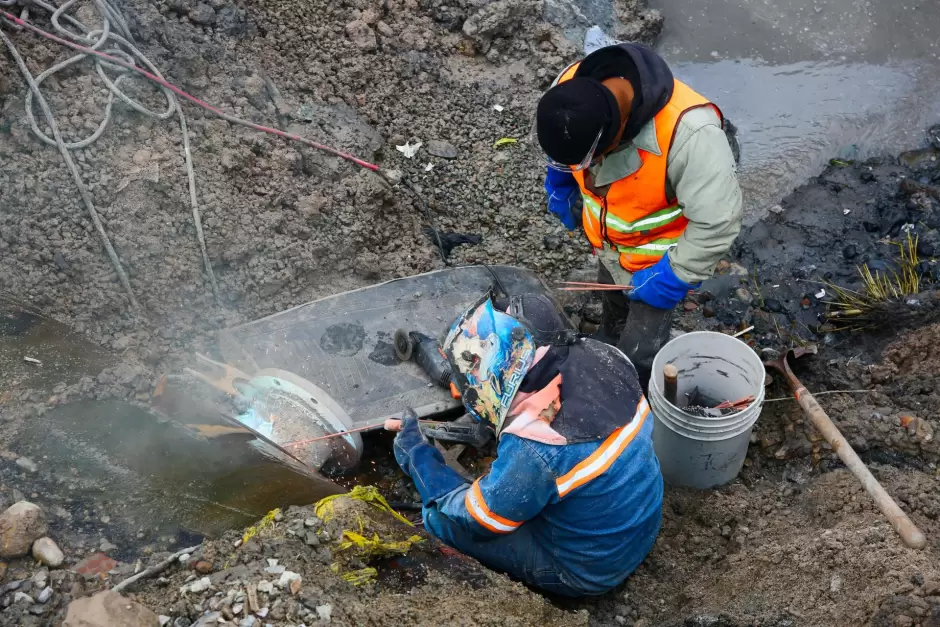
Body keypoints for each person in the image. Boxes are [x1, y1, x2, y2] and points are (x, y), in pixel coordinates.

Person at [392, 295, 663, 597]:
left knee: (440, 519)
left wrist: (420, 460)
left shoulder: (536, 444)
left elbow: (479, 519)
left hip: (585, 570)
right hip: (638, 527)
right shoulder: (608, 358)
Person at [536, 27, 743, 384]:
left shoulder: (692, 135)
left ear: (616, 135)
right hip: (612, 245)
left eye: (586, 161)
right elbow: (566, 148)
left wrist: (675, 275)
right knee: (614, 301)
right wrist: (559, 175)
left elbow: (717, 222)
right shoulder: (571, 86)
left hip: (660, 260)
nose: (582, 171)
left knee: (638, 351)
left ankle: (634, 385)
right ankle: (610, 336)